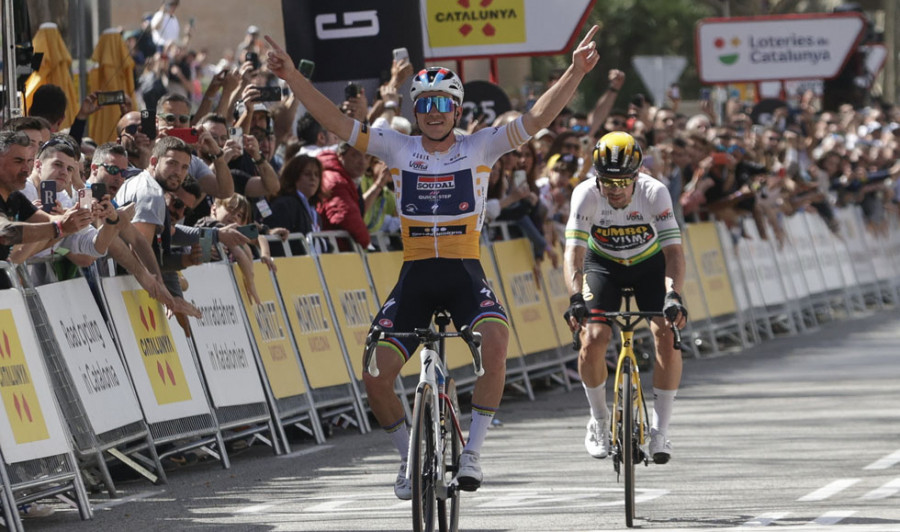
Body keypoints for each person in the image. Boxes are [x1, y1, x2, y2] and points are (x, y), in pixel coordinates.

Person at [265, 24, 601, 498]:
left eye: (443, 104)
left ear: (457, 109)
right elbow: (337, 124)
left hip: (464, 272)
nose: (434, 113)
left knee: (497, 342)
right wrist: (293, 81)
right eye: (425, 105)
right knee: (375, 376)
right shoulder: (397, 147)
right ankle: (407, 456)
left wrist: (574, 73)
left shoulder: (479, 145)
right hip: (416, 276)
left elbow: (536, 119)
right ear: (414, 110)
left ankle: (474, 454)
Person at [563, 131, 688, 465]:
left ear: (637, 176)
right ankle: (599, 420)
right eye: (607, 182)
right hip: (603, 265)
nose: (615, 190)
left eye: (623, 182)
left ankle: (661, 430)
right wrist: (575, 297)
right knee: (593, 336)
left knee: (666, 333)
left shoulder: (655, 192)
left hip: (649, 265)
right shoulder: (585, 194)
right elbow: (573, 253)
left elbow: (674, 252)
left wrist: (673, 294)